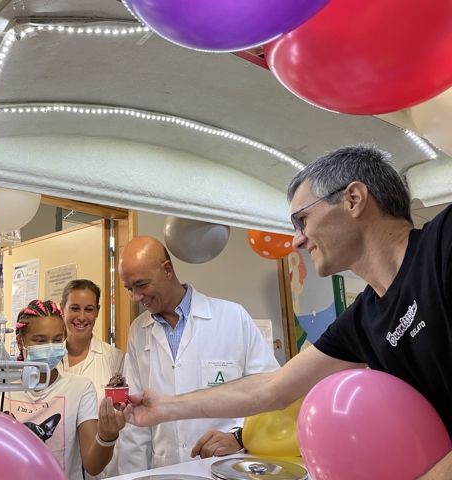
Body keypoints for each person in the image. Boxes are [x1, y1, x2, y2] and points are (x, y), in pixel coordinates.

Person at [121, 145, 452, 479]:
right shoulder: (365, 319)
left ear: (353, 199)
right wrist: (166, 407)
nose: (296, 240)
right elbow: (274, 388)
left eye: (302, 219)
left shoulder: (444, 244)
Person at [110, 236, 280, 474]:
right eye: (129, 288)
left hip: (226, 466)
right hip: (167, 469)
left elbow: (272, 393)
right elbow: (135, 423)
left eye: (141, 285)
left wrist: (240, 436)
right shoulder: (139, 330)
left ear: (167, 270)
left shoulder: (233, 317)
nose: (135, 297)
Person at [0, 299, 125, 480]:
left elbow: (93, 467)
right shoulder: (0, 390)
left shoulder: (80, 388)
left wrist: (108, 436)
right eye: (40, 340)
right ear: (20, 342)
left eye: (57, 340)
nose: (50, 347)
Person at [59, 279, 125, 403]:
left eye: (89, 309)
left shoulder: (116, 359)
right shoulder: (51, 360)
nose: (82, 317)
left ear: (97, 311)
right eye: (75, 308)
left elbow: (123, 410)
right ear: (62, 308)